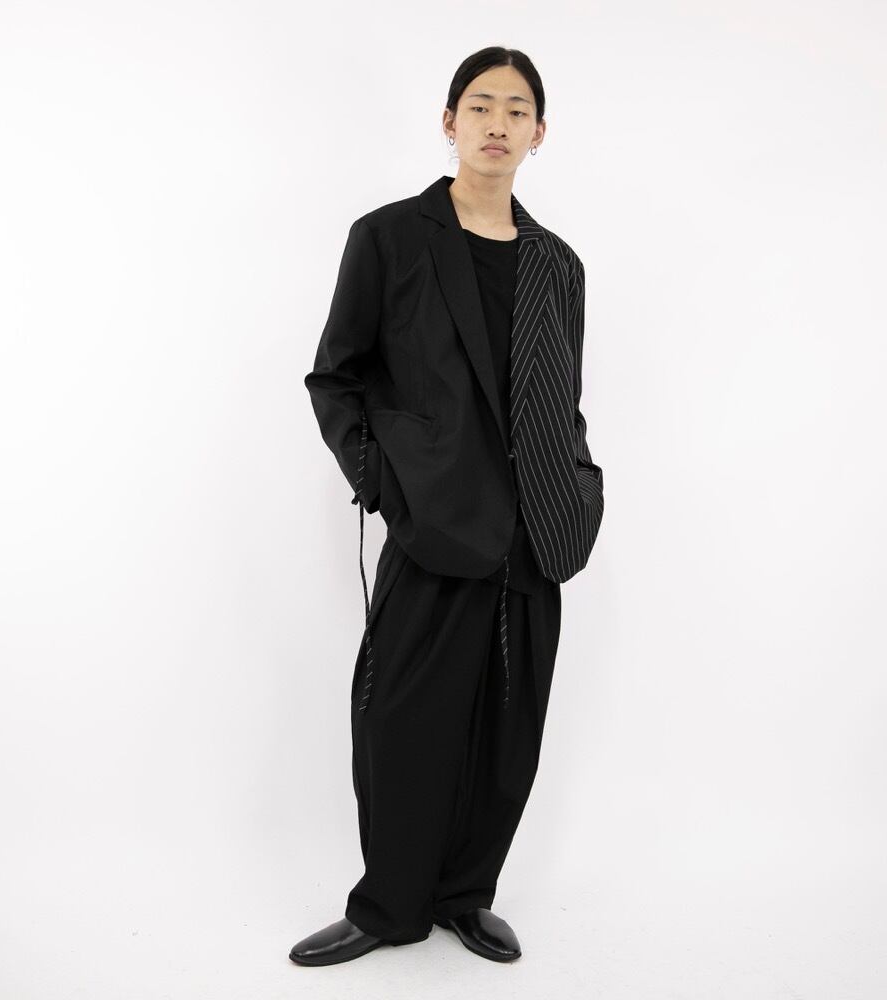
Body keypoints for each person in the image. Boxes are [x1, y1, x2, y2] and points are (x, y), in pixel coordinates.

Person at [291, 46, 604, 967]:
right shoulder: (390, 238)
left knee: (507, 733)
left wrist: (579, 486)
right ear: (450, 121)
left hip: (535, 533)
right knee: (401, 723)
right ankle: (389, 905)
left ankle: (466, 895)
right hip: (433, 526)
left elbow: (563, 398)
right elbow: (336, 377)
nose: (497, 123)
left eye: (517, 109)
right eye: (480, 105)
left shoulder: (558, 264)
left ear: (539, 133)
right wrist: (387, 486)